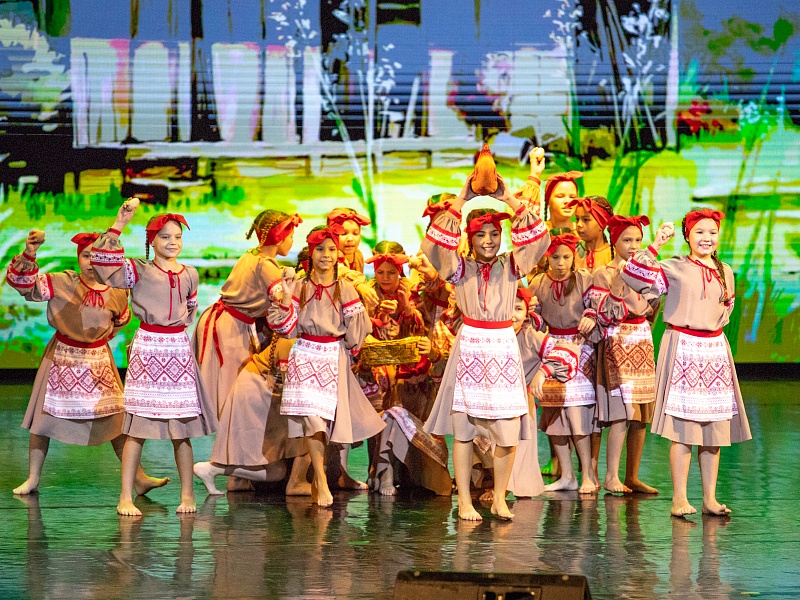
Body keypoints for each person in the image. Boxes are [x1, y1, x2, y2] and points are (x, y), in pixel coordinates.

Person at [422, 150, 550, 521]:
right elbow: (433, 246)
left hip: (503, 347)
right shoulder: (459, 267)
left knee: (507, 431)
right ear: (471, 237)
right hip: (471, 346)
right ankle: (464, 500)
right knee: (464, 430)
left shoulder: (512, 264)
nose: (490, 240)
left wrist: (508, 198)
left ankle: (499, 497)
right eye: (482, 234)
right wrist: (462, 199)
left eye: (495, 234)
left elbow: (540, 240)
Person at [6, 230, 167, 496]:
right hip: (61, 357)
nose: (91, 263)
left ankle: (139, 478)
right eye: (86, 256)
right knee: (42, 422)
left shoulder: (117, 291)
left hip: (98, 360)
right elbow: (25, 285)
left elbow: (121, 320)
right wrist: (30, 252)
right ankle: (33, 478)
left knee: (117, 420)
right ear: (78, 258)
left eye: (97, 256)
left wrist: (98, 340)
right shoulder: (61, 282)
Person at [620, 209, 751, 516]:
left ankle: (709, 499)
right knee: (683, 430)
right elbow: (633, 277)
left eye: (712, 232)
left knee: (713, 431)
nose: (707, 238)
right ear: (688, 236)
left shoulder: (725, 270)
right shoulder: (674, 267)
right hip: (684, 347)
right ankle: (679, 498)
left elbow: (727, 308)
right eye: (699, 232)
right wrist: (656, 245)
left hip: (714, 349)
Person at [91, 199, 216, 516]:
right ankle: (125, 496)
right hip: (148, 347)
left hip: (177, 349)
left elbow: (190, 310)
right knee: (136, 428)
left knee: (181, 430)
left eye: (177, 236)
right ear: (152, 240)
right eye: (165, 236)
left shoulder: (190, 273)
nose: (172, 242)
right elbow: (104, 269)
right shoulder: (138, 269)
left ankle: (187, 494)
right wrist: (119, 223)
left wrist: (176, 334)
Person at [192, 210, 310, 493]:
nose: (292, 241)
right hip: (230, 329)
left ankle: (237, 473)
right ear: (279, 237)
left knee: (234, 395)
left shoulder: (252, 255)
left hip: (229, 322)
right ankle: (228, 466)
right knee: (233, 394)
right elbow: (283, 306)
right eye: (290, 236)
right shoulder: (266, 265)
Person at [268, 224, 385, 507]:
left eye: (332, 249)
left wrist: (350, 351)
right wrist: (286, 297)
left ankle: (320, 476)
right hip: (304, 354)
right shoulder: (299, 285)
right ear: (311, 252)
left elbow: (357, 330)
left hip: (333, 356)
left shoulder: (345, 288)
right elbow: (285, 328)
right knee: (313, 420)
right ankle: (320, 479)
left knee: (324, 424)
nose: (327, 255)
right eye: (320, 249)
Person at [592, 215, 659, 494]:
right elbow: (604, 312)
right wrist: (622, 282)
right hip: (617, 339)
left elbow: (653, 304)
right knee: (621, 411)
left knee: (641, 413)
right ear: (614, 241)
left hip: (641, 339)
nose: (633, 245)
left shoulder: (648, 271)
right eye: (627, 240)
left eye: (638, 240)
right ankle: (611, 476)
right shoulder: (604, 273)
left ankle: (632, 475)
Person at [529, 234, 600, 494]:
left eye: (566, 257)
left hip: (579, 346)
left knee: (576, 410)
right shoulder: (538, 282)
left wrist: (590, 316)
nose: (561, 263)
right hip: (552, 346)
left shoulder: (583, 279)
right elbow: (536, 317)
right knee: (555, 411)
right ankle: (567, 475)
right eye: (555, 257)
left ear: (573, 256)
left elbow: (595, 306)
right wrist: (532, 316)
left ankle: (588, 474)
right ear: (546, 257)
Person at [569, 196, 614, 272]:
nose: (579, 224)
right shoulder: (571, 251)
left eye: (586, 220)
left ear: (602, 224)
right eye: (577, 219)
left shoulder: (613, 255)